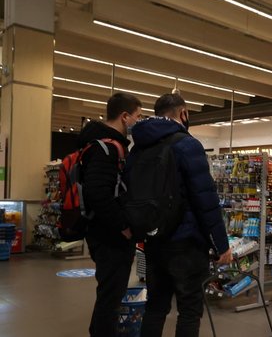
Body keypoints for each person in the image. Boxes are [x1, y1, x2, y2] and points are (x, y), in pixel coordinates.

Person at [130, 94, 233, 337]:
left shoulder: (138, 148)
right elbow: (205, 199)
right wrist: (221, 244)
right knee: (189, 309)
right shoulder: (187, 144)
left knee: (155, 306)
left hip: (152, 238)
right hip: (186, 242)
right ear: (183, 113)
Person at [80, 92, 142, 337]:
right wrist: (123, 227)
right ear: (125, 117)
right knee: (110, 298)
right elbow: (98, 193)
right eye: (138, 116)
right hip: (109, 236)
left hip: (100, 232)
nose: (139, 121)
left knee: (108, 294)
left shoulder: (98, 144)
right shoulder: (108, 149)